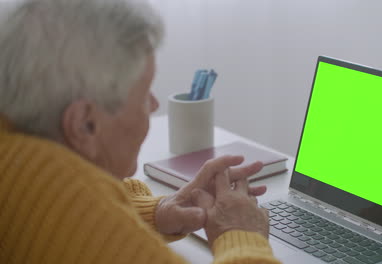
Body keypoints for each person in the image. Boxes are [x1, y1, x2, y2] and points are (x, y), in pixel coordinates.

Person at [0, 0, 281, 263]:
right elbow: (82, 220)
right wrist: (242, 235)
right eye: (145, 94)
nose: (155, 105)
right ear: (85, 125)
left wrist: (157, 212)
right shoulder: (69, 212)